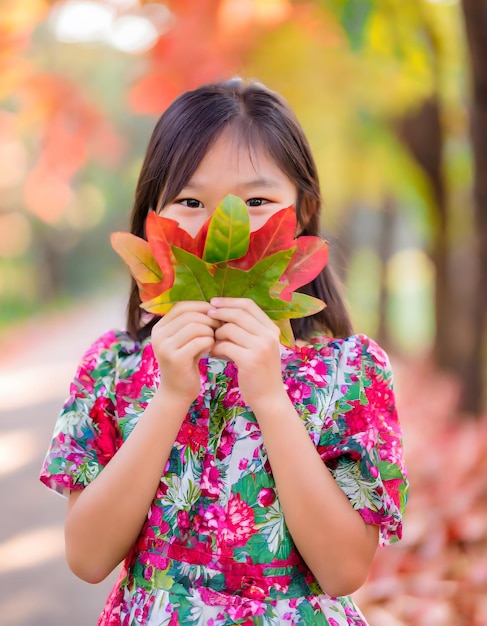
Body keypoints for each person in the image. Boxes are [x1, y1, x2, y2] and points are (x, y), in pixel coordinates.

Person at [40, 78, 408, 626]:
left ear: (303, 212)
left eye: (256, 201)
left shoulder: (349, 370)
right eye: (189, 201)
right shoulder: (113, 367)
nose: (220, 230)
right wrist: (169, 397)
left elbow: (344, 570)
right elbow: (88, 557)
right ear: (153, 220)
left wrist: (270, 397)